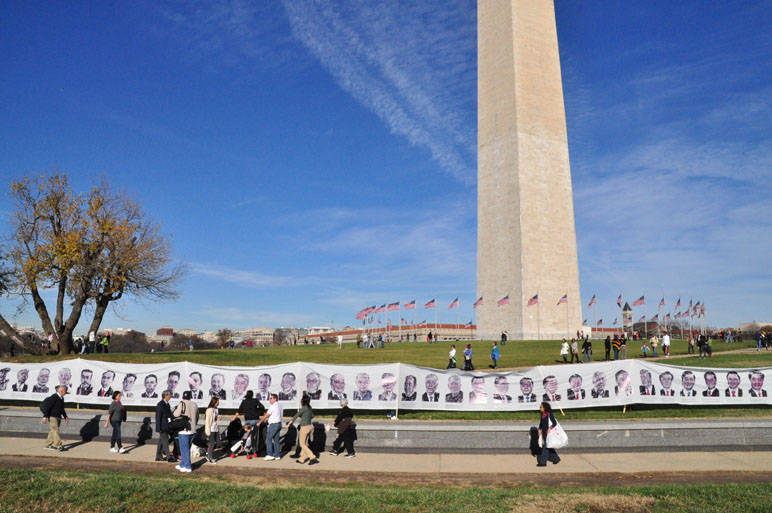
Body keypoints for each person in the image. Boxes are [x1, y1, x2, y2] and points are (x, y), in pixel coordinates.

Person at [287, 395, 318, 465]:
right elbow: (312, 416)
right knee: (305, 444)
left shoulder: (304, 408)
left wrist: (289, 424)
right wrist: (305, 416)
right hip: (309, 426)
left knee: (302, 444)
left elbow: (296, 415)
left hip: (304, 427)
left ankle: (312, 457)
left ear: (303, 401)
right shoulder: (310, 407)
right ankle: (301, 459)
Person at [173, 390, 199, 472]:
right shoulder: (195, 404)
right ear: (190, 396)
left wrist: (174, 411)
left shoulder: (181, 403)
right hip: (192, 429)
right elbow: (197, 416)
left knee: (184, 449)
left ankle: (187, 466)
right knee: (187, 448)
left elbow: (176, 414)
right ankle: (183, 464)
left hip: (184, 429)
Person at [42, 385, 69, 451]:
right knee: (55, 430)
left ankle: (48, 445)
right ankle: (59, 445)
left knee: (53, 431)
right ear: (61, 391)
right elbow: (48, 407)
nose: (66, 393)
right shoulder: (54, 397)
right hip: (52, 416)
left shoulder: (61, 398)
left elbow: (62, 409)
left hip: (58, 417)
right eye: (65, 391)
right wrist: (45, 417)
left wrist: (65, 416)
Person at [258, 394, 283, 460]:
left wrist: (260, 422)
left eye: (271, 398)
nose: (270, 399)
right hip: (279, 423)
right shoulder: (280, 405)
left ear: (275, 399)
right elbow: (278, 415)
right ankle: (277, 455)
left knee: (268, 439)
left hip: (273, 425)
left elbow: (267, 414)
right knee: (276, 440)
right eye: (270, 398)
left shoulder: (273, 406)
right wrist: (269, 419)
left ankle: (270, 454)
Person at [536, 401, 560, 467]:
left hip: (549, 433)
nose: (540, 408)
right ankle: (556, 459)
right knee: (549, 446)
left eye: (541, 407)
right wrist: (539, 429)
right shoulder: (542, 415)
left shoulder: (549, 414)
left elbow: (554, 423)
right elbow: (541, 423)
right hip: (544, 433)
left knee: (545, 447)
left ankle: (543, 462)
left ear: (545, 408)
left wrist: (550, 428)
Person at [155, 390, 173, 462]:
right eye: (169, 394)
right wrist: (158, 428)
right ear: (165, 395)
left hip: (167, 425)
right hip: (162, 427)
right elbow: (158, 417)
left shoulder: (167, 404)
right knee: (165, 441)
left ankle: (158, 456)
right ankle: (168, 457)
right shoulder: (160, 404)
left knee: (161, 442)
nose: (170, 396)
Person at [205, 397, 220, 463]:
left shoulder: (216, 409)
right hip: (211, 429)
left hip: (216, 428)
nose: (218, 403)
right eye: (218, 401)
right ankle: (210, 457)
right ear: (215, 402)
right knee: (212, 443)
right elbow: (207, 421)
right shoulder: (209, 410)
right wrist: (208, 431)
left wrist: (218, 419)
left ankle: (208, 453)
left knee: (218, 443)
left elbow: (215, 419)